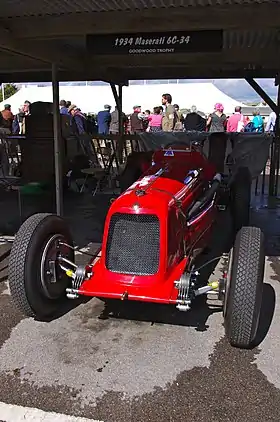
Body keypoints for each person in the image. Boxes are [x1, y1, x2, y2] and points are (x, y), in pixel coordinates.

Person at [207, 103, 227, 173]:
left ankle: (211, 168)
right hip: (221, 134)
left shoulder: (212, 115)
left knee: (212, 152)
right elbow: (225, 125)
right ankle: (220, 169)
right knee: (220, 152)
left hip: (213, 134)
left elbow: (207, 123)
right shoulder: (224, 116)